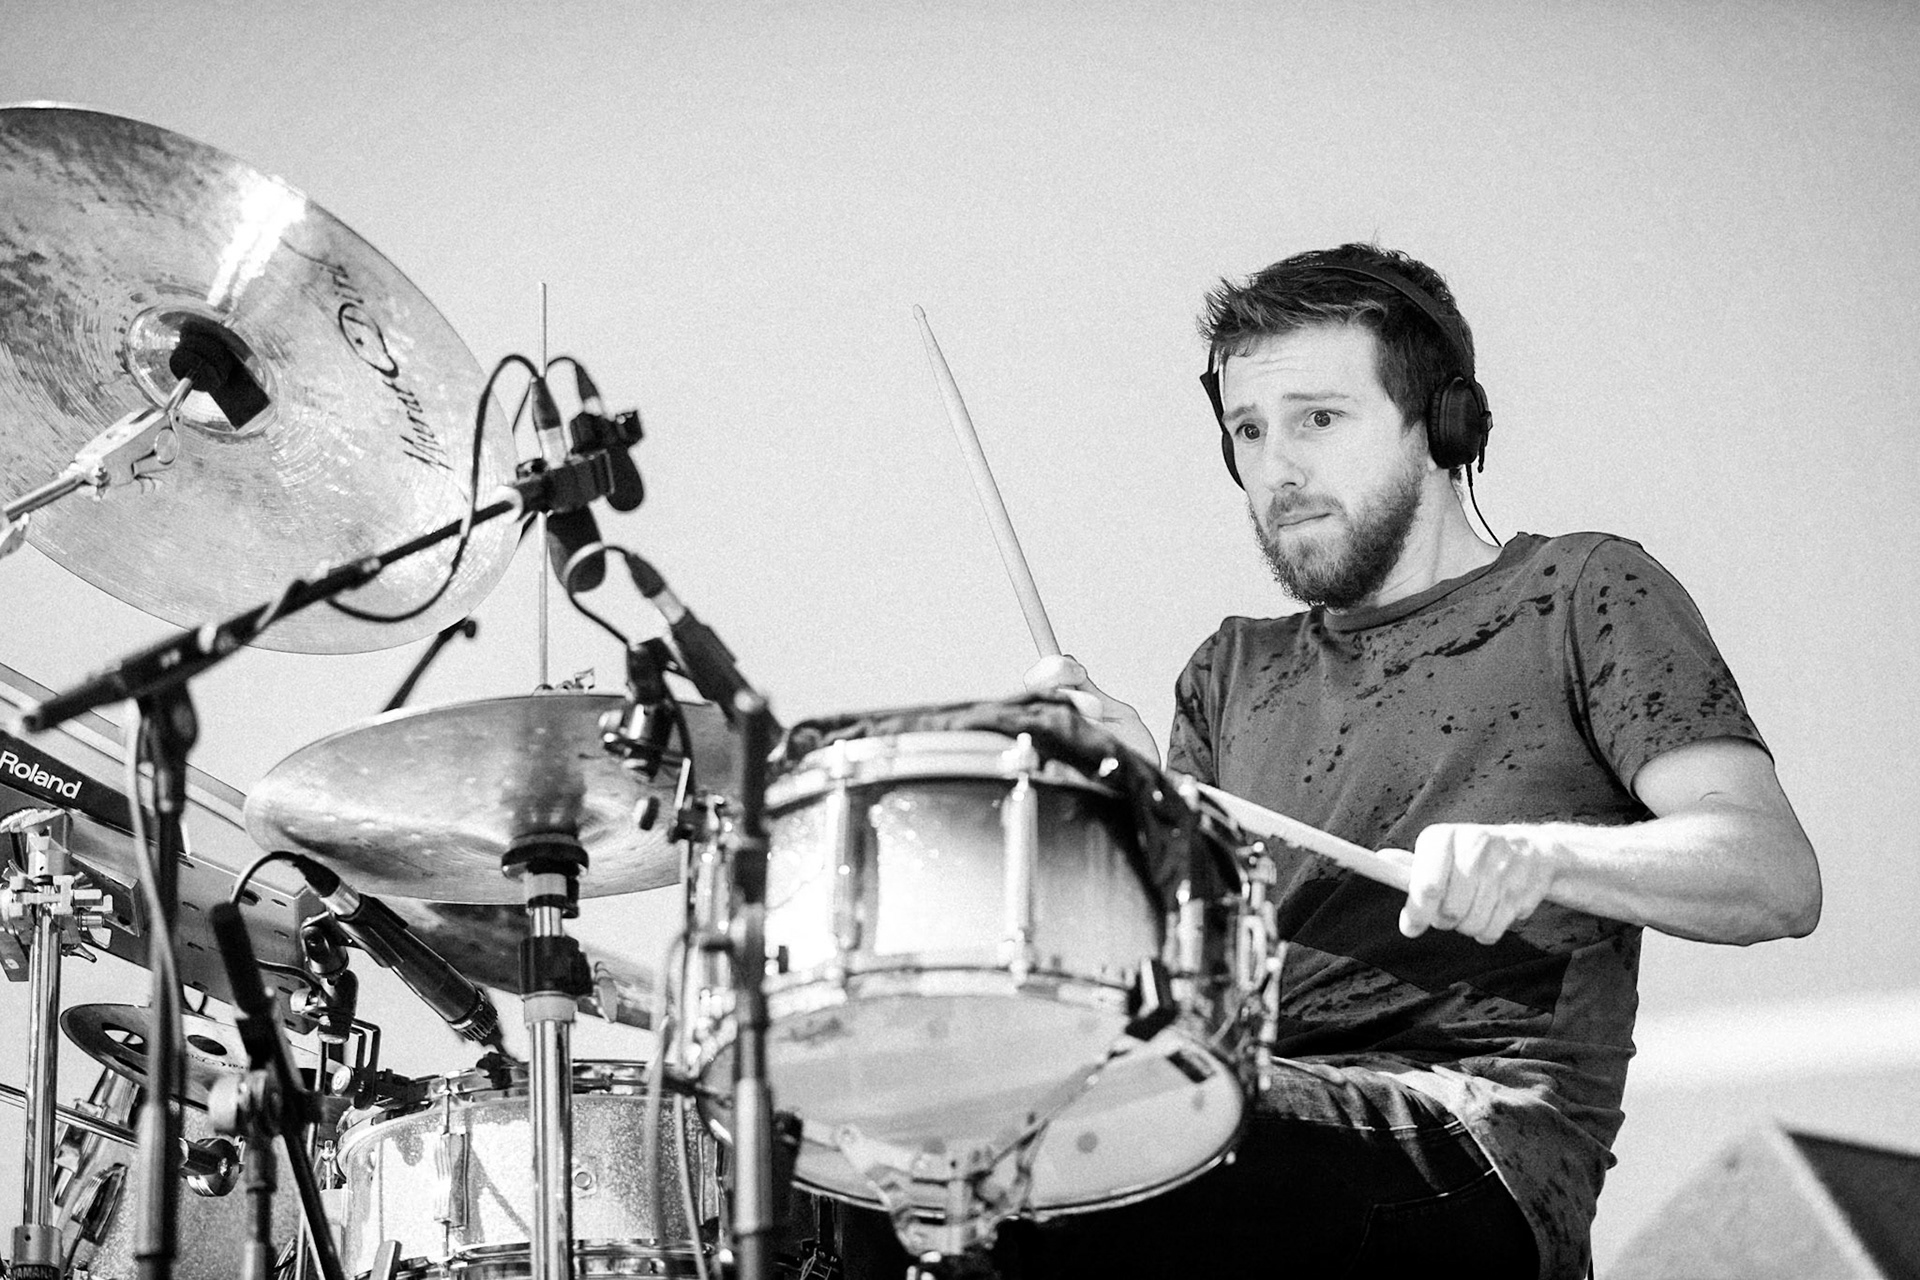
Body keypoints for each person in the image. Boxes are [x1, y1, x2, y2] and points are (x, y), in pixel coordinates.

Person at [1007, 243, 1823, 1279]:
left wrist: (1545, 856)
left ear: (1445, 425)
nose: (1277, 467)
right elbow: (1185, 1001)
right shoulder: (1229, 671)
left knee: (1102, 1151)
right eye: (1247, 431)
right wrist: (1134, 803)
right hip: (1251, 1118)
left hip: (1475, 1139)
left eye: (1318, 419)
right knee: (886, 1175)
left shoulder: (1579, 591)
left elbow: (1773, 872)